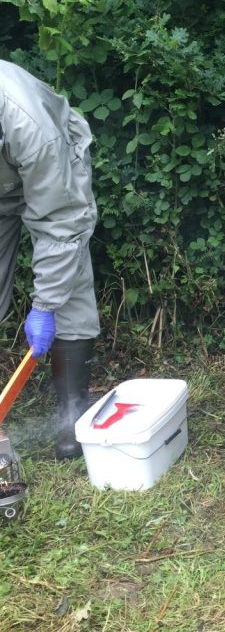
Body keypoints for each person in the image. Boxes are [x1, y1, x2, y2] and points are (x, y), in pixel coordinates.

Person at [0, 60, 100, 459]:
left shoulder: (29, 125)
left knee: (68, 287)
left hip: (53, 173)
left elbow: (62, 220)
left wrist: (45, 305)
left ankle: (70, 423)